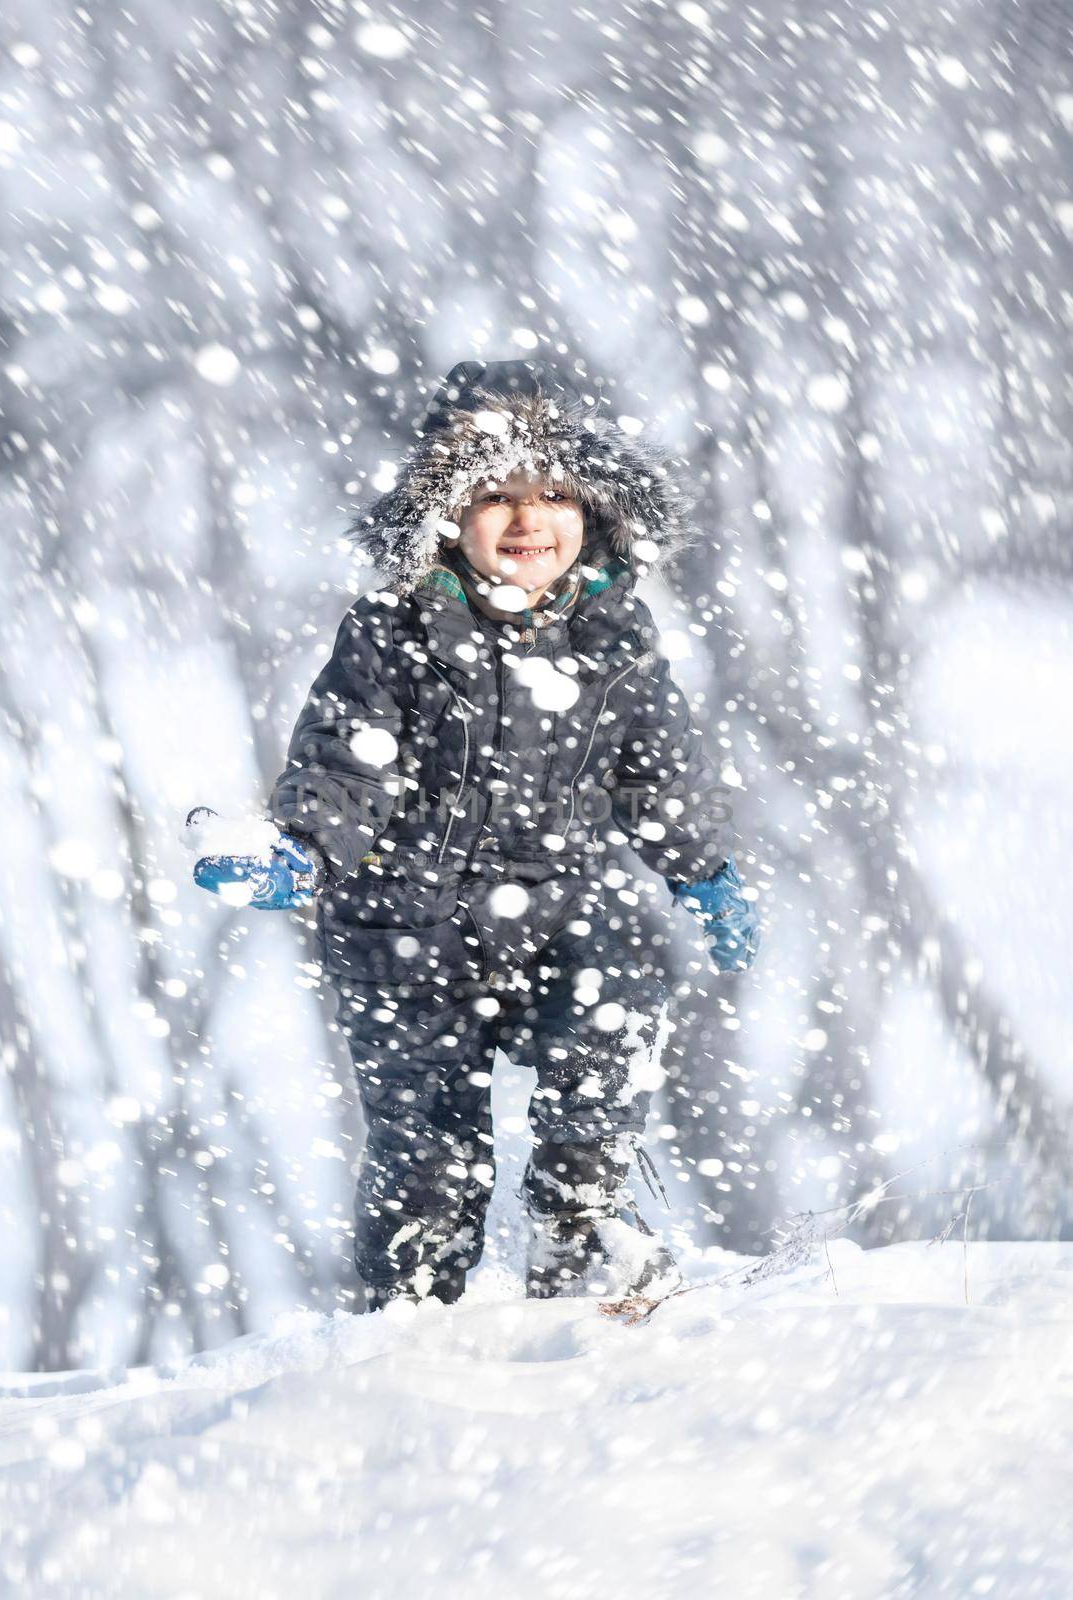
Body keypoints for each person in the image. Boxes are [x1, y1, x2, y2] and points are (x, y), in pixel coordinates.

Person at [187, 358, 762, 1310]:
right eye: (495, 495)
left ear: (598, 512)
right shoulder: (389, 633)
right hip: (405, 929)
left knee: (609, 1038)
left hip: (563, 913)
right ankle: (411, 1314)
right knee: (429, 1152)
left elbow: (658, 773)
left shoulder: (616, 639)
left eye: (555, 495)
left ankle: (584, 1241)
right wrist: (303, 846)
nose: (529, 519)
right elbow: (348, 759)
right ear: (446, 516)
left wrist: (700, 868)